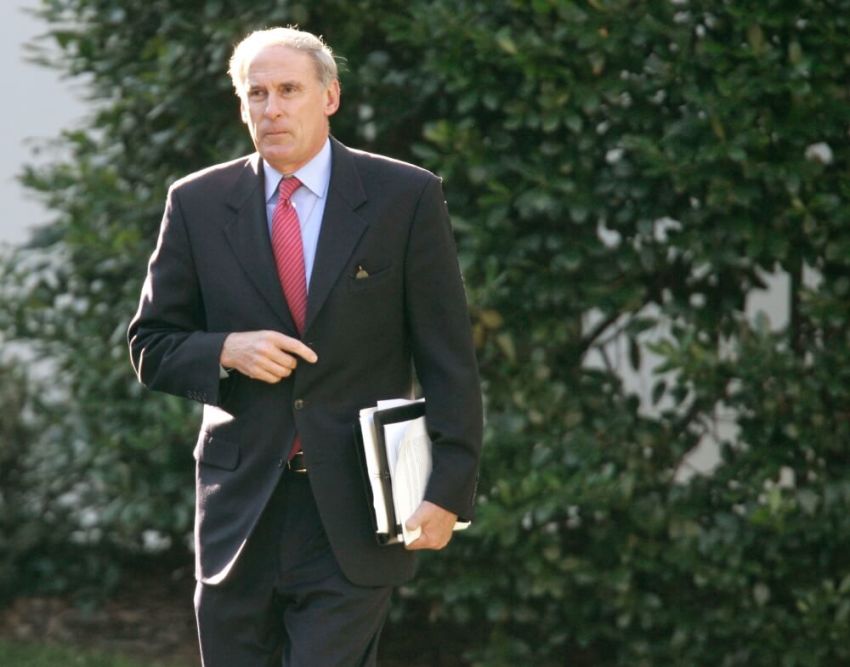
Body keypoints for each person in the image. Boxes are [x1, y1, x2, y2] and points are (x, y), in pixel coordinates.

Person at [127, 26, 483, 667]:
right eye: (256, 93)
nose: (272, 108)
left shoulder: (404, 197)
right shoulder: (197, 202)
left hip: (355, 508)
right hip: (241, 512)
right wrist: (225, 350)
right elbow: (151, 344)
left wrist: (449, 488)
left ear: (330, 96)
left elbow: (448, 356)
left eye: (289, 90)